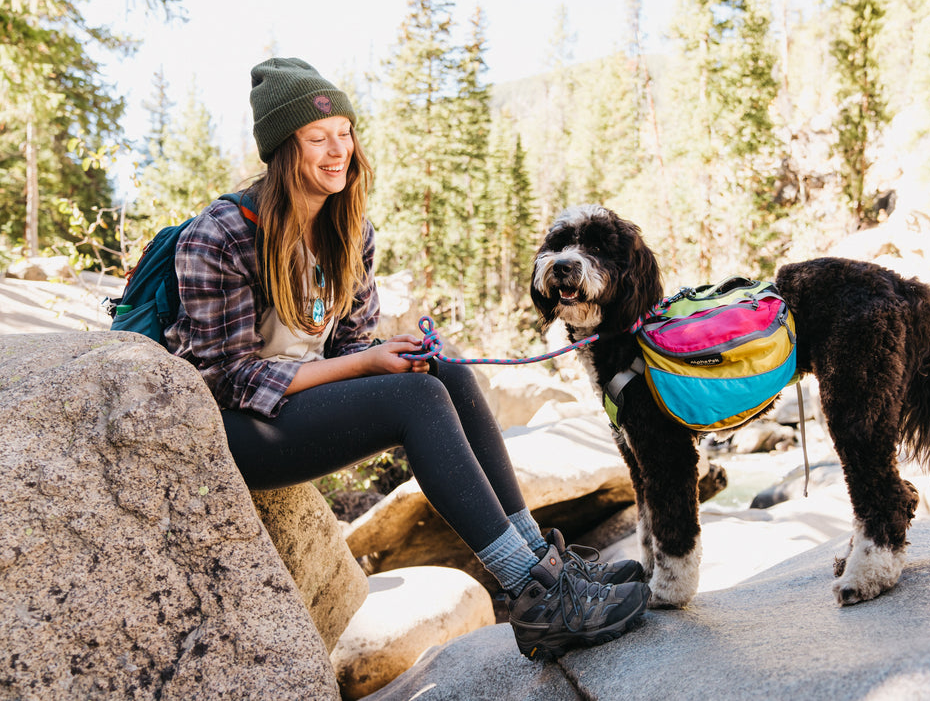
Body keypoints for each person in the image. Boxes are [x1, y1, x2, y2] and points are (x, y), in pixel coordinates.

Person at [166, 57, 650, 659]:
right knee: (414, 396)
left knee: (442, 371)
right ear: (282, 151)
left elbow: (348, 348)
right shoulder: (221, 234)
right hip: (232, 431)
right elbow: (224, 379)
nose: (336, 150)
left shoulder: (348, 230)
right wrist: (365, 367)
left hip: (294, 408)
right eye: (316, 138)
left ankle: (541, 562)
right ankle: (532, 593)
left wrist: (383, 356)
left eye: (344, 134)